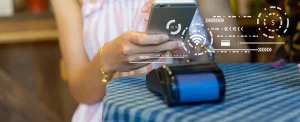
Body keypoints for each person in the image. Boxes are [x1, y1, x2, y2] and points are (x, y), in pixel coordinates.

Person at [51, 0, 249, 121]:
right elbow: (80, 92)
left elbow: (238, 57)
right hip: (110, 116)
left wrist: (193, 51)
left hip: (189, 109)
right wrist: (107, 60)